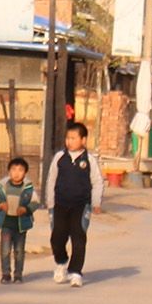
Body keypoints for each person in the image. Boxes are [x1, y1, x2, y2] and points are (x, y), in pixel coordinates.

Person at [44, 120, 99, 286]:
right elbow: (51, 179)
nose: (69, 141)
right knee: (57, 237)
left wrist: (96, 202)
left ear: (83, 140)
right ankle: (61, 263)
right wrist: (50, 202)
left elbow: (97, 182)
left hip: (81, 206)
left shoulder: (89, 160)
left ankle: (75, 272)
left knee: (78, 238)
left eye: (74, 138)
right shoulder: (60, 158)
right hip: (60, 204)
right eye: (68, 138)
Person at [0, 157, 39, 283]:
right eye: (13, 169)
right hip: (6, 223)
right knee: (5, 250)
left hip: (21, 225)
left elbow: (35, 202)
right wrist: (0, 205)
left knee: (19, 251)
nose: (16, 173)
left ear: (25, 173)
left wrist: (26, 209)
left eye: (20, 170)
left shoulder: (28, 188)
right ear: (9, 171)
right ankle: (6, 274)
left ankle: (18, 274)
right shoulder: (3, 187)